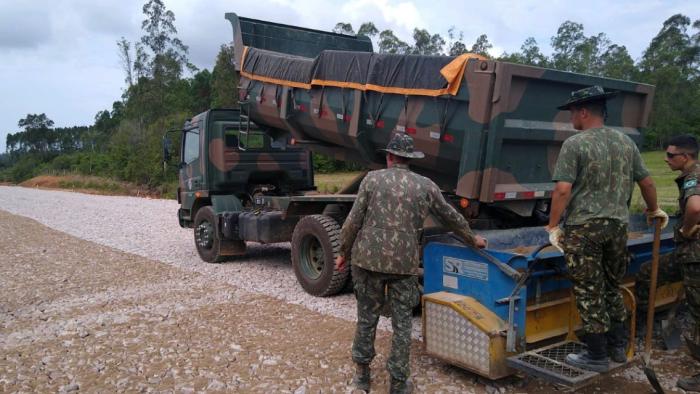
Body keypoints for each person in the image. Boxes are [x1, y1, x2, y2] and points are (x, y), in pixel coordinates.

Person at [335, 133, 487, 393]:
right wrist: (472, 239)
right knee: (402, 324)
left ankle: (362, 377)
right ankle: (397, 382)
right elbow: (450, 215)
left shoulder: (372, 180)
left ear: (390, 156)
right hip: (403, 266)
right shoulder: (426, 185)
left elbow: (353, 220)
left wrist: (342, 252)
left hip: (367, 262)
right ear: (409, 159)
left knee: (366, 318)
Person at [545, 85, 667, 372]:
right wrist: (653, 210)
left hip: (584, 228)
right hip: (617, 227)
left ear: (584, 112)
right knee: (612, 285)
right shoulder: (626, 143)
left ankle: (595, 355)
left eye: (572, 112)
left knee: (589, 289)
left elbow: (562, 190)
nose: (571, 118)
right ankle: (617, 348)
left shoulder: (574, 144)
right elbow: (647, 182)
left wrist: (552, 226)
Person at [635, 134, 700, 391]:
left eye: (671, 155)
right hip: (688, 255)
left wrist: (685, 230)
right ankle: (642, 326)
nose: (666, 158)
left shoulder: (694, 176)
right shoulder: (691, 175)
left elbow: (695, 208)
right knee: (648, 272)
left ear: (686, 157)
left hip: (695, 255)